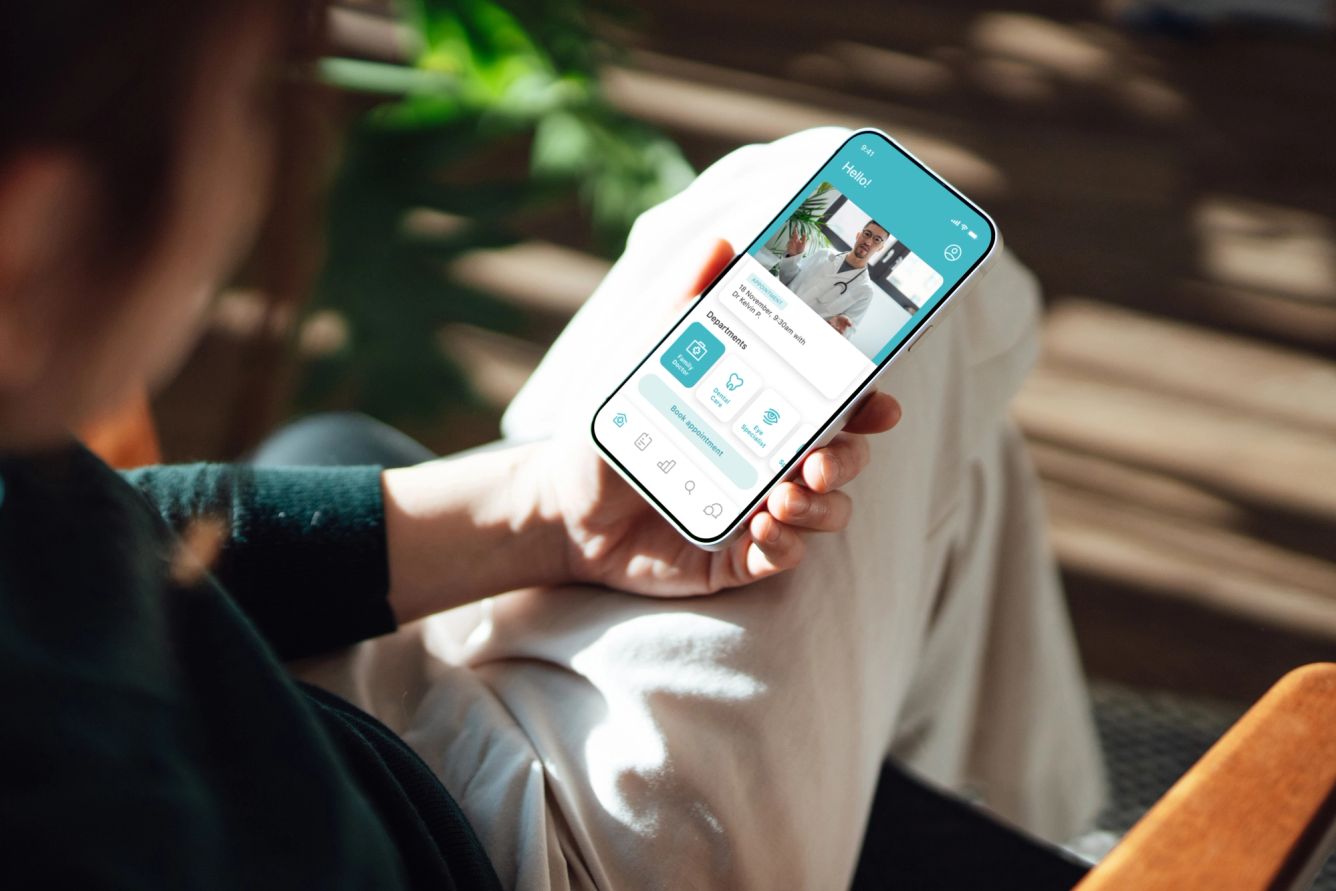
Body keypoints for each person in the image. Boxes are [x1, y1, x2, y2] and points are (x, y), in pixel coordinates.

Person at [0, 2, 1105, 889]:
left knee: (829, 276)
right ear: (32, 233)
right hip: (501, 854)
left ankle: (1028, 821)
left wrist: (538, 511)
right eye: (251, 100)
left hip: (314, 729)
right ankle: (1061, 832)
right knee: (858, 241)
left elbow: (87, 553)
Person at [775, 221, 890, 336]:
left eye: (877, 239)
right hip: (778, 311)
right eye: (867, 234)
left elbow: (849, 328)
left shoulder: (865, 290)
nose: (868, 242)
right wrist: (792, 257)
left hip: (802, 333)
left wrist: (841, 329)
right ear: (858, 235)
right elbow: (785, 280)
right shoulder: (823, 254)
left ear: (880, 248)